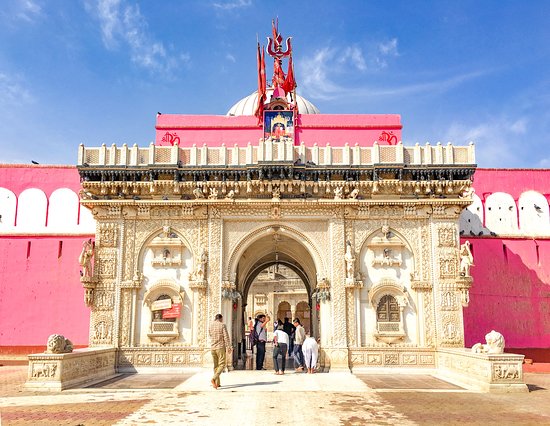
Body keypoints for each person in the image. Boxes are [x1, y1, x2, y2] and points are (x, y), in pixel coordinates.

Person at [209, 313, 232, 389]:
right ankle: (213, 379)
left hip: (213, 347)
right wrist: (229, 346)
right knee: (222, 365)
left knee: (216, 366)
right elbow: (226, 336)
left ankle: (217, 383)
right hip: (220, 347)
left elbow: (210, 334)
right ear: (221, 318)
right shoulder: (222, 325)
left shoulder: (210, 325)